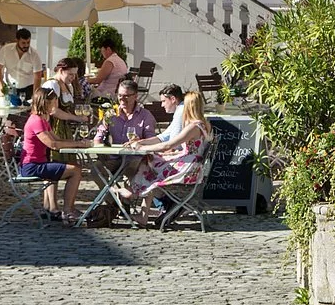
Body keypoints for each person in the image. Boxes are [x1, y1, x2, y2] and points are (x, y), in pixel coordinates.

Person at [115, 90, 211, 227]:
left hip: (188, 169)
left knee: (150, 163)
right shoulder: (203, 124)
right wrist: (144, 143)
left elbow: (169, 144)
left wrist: (142, 148)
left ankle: (133, 194)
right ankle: (139, 203)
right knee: (152, 162)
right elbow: (183, 147)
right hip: (192, 165)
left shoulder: (193, 127)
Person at [17, 87, 90, 224]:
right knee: (75, 170)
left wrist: (78, 142)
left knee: (71, 167)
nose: (55, 106)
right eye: (54, 102)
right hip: (31, 166)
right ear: (45, 103)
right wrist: (78, 145)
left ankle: (53, 208)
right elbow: (53, 145)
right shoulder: (36, 120)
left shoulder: (43, 119)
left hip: (37, 163)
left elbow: (57, 139)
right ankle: (68, 210)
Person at [40, 57, 93, 137]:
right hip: (53, 129)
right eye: (70, 74)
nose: (74, 77)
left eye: (75, 74)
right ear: (61, 71)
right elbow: (53, 111)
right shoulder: (52, 85)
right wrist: (76, 118)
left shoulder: (68, 86)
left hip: (66, 129)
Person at [97, 78, 156, 148]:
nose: (122, 99)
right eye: (120, 95)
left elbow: (151, 141)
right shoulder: (110, 114)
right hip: (112, 157)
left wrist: (140, 142)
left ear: (135, 96)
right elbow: (98, 138)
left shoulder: (145, 116)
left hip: (135, 157)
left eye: (126, 96)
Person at [0, 28, 45, 104]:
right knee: (9, 113)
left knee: (26, 114)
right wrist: (1, 88)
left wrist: (35, 96)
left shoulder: (34, 55)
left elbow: (38, 76)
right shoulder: (6, 50)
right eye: (23, 43)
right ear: (17, 40)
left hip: (28, 89)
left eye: (28, 42)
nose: (26, 45)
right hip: (10, 88)